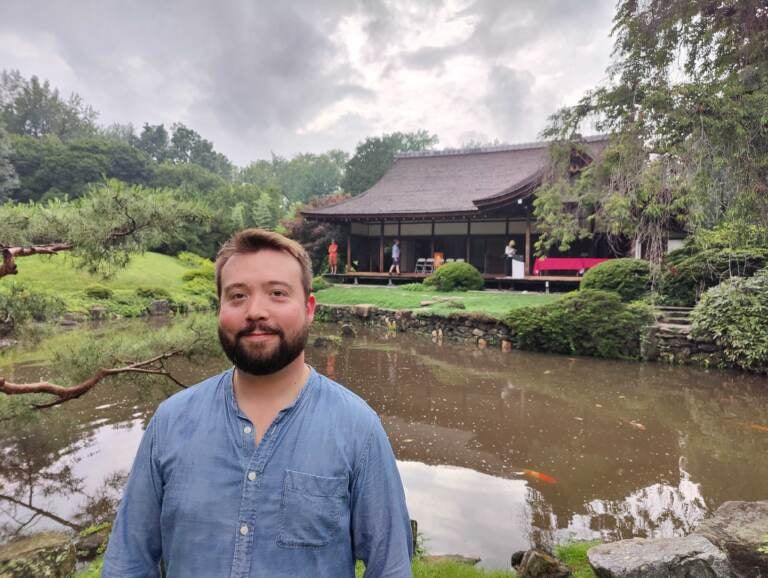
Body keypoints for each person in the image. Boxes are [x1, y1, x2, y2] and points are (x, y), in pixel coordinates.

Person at [102, 229, 413, 578]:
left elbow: (391, 568)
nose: (255, 312)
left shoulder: (358, 429)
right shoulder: (170, 421)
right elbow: (128, 563)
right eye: (237, 296)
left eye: (277, 293)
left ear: (309, 308)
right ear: (219, 308)